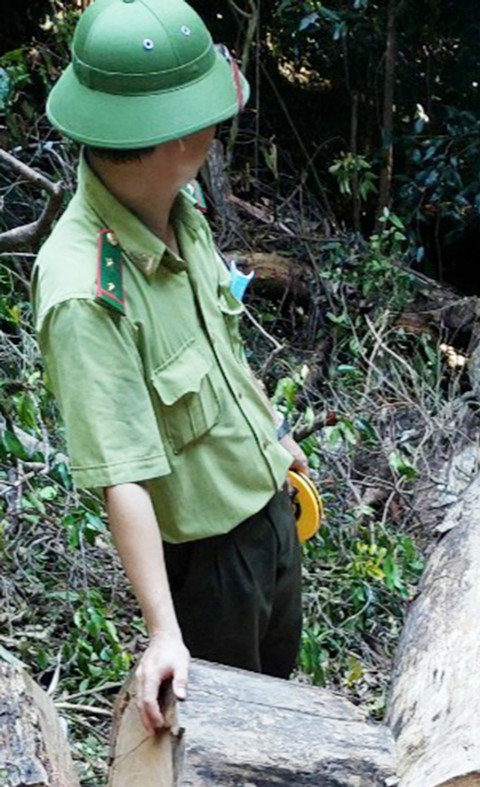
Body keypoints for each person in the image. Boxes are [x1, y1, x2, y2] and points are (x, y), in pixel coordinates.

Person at [33, 0, 309, 733]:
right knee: (231, 751)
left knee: (282, 710)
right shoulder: (85, 292)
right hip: (209, 567)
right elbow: (121, 473)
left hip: (269, 510)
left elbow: (220, 344)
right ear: (180, 138)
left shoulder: (174, 208)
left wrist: (271, 435)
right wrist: (164, 631)